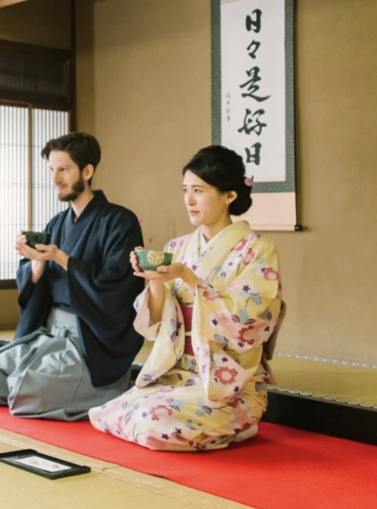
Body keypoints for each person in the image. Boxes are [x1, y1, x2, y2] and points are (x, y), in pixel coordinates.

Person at [89, 145, 284, 451]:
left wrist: (188, 277)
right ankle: (217, 428)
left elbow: (251, 322)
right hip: (178, 375)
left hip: (227, 384)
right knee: (107, 413)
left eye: (199, 190)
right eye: (185, 190)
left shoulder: (256, 250)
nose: (189, 200)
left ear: (229, 195)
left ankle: (239, 422)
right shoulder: (178, 247)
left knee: (152, 424)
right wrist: (154, 282)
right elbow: (154, 326)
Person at [0, 132, 145, 420]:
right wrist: (36, 263)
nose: (55, 179)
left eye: (63, 170)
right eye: (52, 170)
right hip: (49, 332)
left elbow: (117, 287)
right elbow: (38, 283)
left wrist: (60, 258)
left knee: (23, 393)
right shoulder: (57, 222)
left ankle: (110, 390)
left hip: (90, 340)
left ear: (87, 171)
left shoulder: (119, 221)